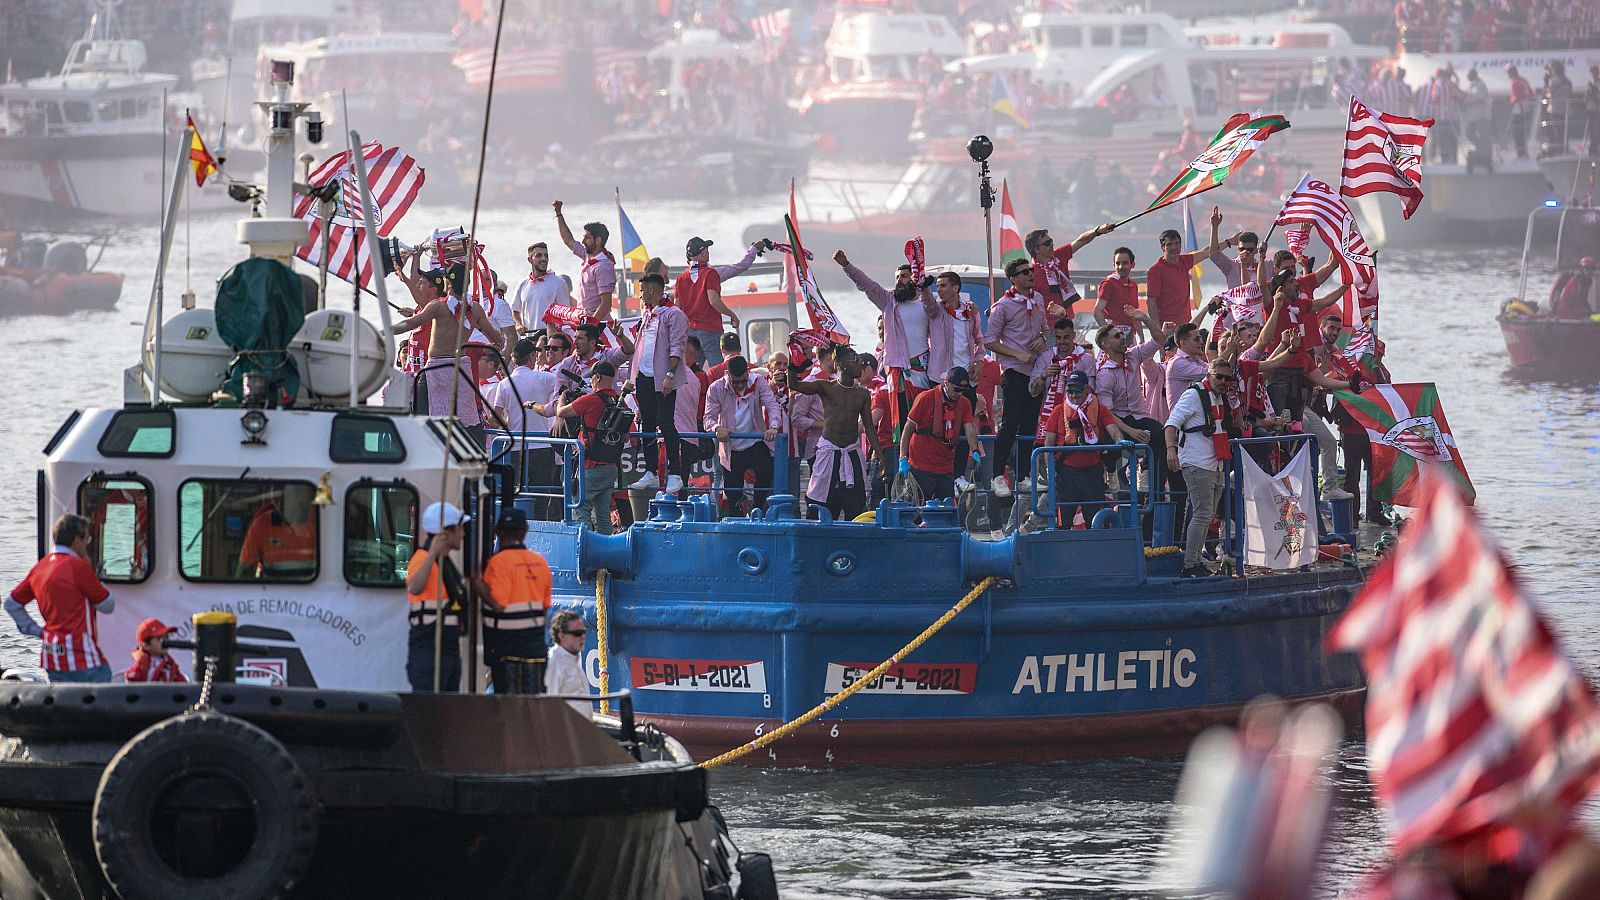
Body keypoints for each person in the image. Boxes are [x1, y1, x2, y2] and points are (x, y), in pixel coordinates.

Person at [388, 264, 503, 445]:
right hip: (460, 370)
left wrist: (384, 331)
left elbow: (410, 323)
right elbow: (499, 341)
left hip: (436, 369)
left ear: (447, 283)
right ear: (467, 284)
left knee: (423, 424)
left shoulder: (438, 307)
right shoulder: (475, 309)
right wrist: (480, 345)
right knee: (465, 421)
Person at [5, 514, 115, 683]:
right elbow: (107, 605)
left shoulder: (40, 567)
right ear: (76, 540)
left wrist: (36, 630)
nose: (87, 544)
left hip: (52, 656)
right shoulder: (78, 566)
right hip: (82, 656)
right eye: (87, 539)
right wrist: (96, 578)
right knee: (103, 686)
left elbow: (11, 604)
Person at [1164, 363, 1242, 578]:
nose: (1223, 382)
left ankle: (1196, 560)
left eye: (1228, 378)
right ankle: (1190, 564)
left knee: (1206, 515)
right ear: (1209, 374)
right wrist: (1171, 451)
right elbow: (1170, 425)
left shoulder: (1218, 398)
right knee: (1202, 513)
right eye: (1219, 376)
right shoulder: (1193, 395)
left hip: (1214, 463)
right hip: (1196, 462)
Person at [985, 257, 1051, 496]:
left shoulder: (1038, 299)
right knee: (1010, 424)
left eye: (1030, 270)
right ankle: (997, 475)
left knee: (1030, 424)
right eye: (1024, 272)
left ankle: (1023, 475)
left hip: (1036, 371)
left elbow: (1046, 328)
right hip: (1014, 370)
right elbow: (989, 340)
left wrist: (1042, 338)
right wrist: (1017, 354)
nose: (1030, 274)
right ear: (1013, 279)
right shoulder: (1003, 306)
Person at [789, 346, 879, 519]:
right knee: (819, 503)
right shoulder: (826, 387)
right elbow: (794, 385)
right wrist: (793, 359)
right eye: (856, 361)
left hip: (852, 452)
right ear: (842, 365)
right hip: (829, 452)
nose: (860, 365)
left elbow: (869, 427)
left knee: (856, 504)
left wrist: (880, 457)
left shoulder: (862, 393)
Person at [1093, 310, 1170, 492]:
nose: (1123, 337)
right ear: (1105, 345)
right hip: (1117, 419)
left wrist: (1145, 319)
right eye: (1117, 336)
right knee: (1108, 439)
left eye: (1122, 334)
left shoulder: (1134, 355)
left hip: (1139, 416)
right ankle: (1110, 471)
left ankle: (1153, 485)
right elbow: (1107, 413)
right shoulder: (1104, 374)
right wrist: (1131, 431)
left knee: (1162, 435)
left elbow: (1160, 339)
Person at [834, 250, 934, 389]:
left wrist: (925, 288)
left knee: (922, 404)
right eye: (897, 277)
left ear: (914, 279)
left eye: (904, 276)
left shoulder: (926, 303)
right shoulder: (888, 301)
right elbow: (867, 285)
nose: (899, 280)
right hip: (896, 372)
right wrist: (846, 265)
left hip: (921, 369)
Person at [478, 509, 552, 694]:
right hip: (535, 650)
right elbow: (544, 609)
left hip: (507, 651)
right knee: (533, 703)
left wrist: (477, 586)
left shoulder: (497, 563)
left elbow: (498, 605)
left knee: (508, 704)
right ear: (525, 531)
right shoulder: (540, 562)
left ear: (498, 531)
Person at [628, 272, 688, 494]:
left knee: (666, 423)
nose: (641, 295)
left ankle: (676, 474)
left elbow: (677, 346)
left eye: (642, 290)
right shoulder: (647, 313)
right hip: (644, 376)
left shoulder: (674, 314)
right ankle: (650, 471)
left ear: (652, 289)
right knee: (647, 424)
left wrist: (670, 375)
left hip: (662, 378)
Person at [1041, 371, 1126, 527]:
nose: (1073, 395)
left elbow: (1113, 430)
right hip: (1066, 474)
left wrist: (1120, 441)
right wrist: (1049, 470)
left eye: (1077, 391)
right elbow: (1048, 443)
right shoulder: (1058, 411)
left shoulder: (1100, 409)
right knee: (1063, 522)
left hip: (1092, 473)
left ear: (1087, 389)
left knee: (1095, 522)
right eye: (1070, 391)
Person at [552, 361, 626, 533]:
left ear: (597, 378)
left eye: (592, 378)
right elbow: (626, 436)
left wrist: (561, 398)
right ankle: (606, 546)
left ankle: (584, 546)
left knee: (580, 510)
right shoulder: (620, 402)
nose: (591, 382)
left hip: (590, 466)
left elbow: (561, 412)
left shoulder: (591, 399)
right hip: (611, 466)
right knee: (603, 514)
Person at [705, 355, 782, 513]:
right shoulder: (716, 388)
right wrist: (717, 428)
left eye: (743, 381)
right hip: (731, 448)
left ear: (747, 373)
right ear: (728, 375)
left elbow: (772, 405)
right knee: (732, 494)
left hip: (755, 441)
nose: (740, 385)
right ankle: (736, 516)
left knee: (766, 474)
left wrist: (774, 427)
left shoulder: (758, 381)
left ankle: (757, 509)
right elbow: (708, 418)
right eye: (736, 382)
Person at [405, 502, 468, 692]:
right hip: (429, 648)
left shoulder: (446, 564)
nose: (463, 534)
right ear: (446, 534)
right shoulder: (422, 559)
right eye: (460, 528)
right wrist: (432, 553)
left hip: (448, 646)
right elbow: (415, 588)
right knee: (428, 704)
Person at [495, 338, 558, 515]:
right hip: (541, 445)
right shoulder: (544, 378)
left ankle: (518, 526)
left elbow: (494, 417)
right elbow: (565, 383)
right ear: (531, 357)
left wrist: (511, 426)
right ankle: (539, 525)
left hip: (515, 446)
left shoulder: (504, 384)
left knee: (517, 493)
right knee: (541, 495)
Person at [901, 366, 982, 501]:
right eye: (957, 389)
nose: (960, 394)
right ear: (946, 383)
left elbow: (969, 428)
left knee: (947, 507)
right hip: (921, 465)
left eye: (963, 390)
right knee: (919, 507)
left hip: (945, 467)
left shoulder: (965, 403)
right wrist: (903, 458)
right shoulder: (925, 398)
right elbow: (908, 428)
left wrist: (975, 450)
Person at [1024, 222, 1116, 314]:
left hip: (1068, 318)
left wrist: (1097, 231)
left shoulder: (1059, 256)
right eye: (1047, 243)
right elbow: (1027, 303)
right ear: (1036, 249)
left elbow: (1080, 241)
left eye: (1051, 241)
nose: (1052, 245)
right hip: (1047, 322)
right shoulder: (1031, 275)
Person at [675, 236, 740, 366]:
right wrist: (732, 315)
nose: (708, 252)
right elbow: (714, 301)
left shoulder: (681, 277)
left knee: (692, 370)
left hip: (690, 332)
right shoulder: (710, 273)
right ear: (703, 252)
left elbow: (677, 307)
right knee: (718, 370)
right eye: (706, 249)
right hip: (710, 330)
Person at [552, 200, 616, 319]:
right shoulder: (588, 256)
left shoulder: (603, 266)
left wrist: (592, 325)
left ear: (598, 240)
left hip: (597, 322)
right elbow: (568, 241)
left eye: (587, 238)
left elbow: (606, 304)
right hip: (584, 317)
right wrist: (558, 214)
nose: (583, 241)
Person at [236, 488, 317, 580]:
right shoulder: (262, 524)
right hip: (271, 589)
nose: (278, 501)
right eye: (276, 498)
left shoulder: (320, 520)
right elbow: (243, 572)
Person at [924, 270, 984, 379]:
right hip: (941, 376)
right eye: (937, 286)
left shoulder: (970, 309)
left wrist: (979, 361)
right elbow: (927, 302)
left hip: (967, 374)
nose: (938, 290)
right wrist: (924, 287)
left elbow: (978, 339)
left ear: (955, 288)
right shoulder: (936, 309)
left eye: (943, 286)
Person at [512, 241, 571, 336]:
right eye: (539, 255)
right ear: (530, 260)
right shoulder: (522, 283)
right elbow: (515, 310)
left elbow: (566, 314)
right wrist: (518, 324)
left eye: (546, 256)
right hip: (528, 338)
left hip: (549, 339)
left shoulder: (559, 283)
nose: (544, 259)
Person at [544, 609, 592, 719]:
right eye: (577, 633)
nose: (583, 637)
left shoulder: (572, 659)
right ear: (561, 636)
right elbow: (548, 706)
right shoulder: (553, 663)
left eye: (583, 632)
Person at [1094, 247, 1142, 332]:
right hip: (1113, 333)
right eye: (1118, 263)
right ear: (1113, 265)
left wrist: (1141, 337)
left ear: (1132, 264)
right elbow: (1097, 311)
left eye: (1125, 263)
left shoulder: (1134, 285)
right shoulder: (1108, 283)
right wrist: (1109, 333)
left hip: (1130, 333)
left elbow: (1135, 314)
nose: (1121, 267)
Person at [123, 618, 185, 683]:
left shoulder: (170, 663)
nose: (165, 641)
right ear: (146, 645)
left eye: (167, 637)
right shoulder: (141, 666)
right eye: (159, 638)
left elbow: (182, 685)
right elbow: (131, 685)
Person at [1508, 65, 1535, 159]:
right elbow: (1531, 94)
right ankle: (1523, 151)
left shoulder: (1515, 82)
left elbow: (1517, 97)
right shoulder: (1524, 80)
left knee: (1517, 131)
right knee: (1521, 130)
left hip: (1518, 108)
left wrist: (1510, 103)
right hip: (1525, 108)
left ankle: (1520, 153)